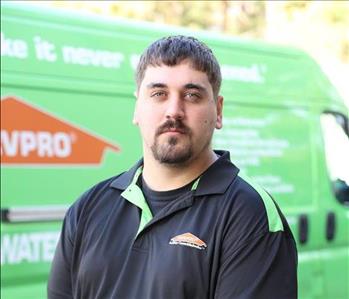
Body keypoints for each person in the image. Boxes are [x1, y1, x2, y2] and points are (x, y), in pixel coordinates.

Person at [48, 35, 297, 299]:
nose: (173, 110)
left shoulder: (248, 212)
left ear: (218, 111)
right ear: (137, 108)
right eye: (158, 94)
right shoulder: (89, 208)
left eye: (192, 95)